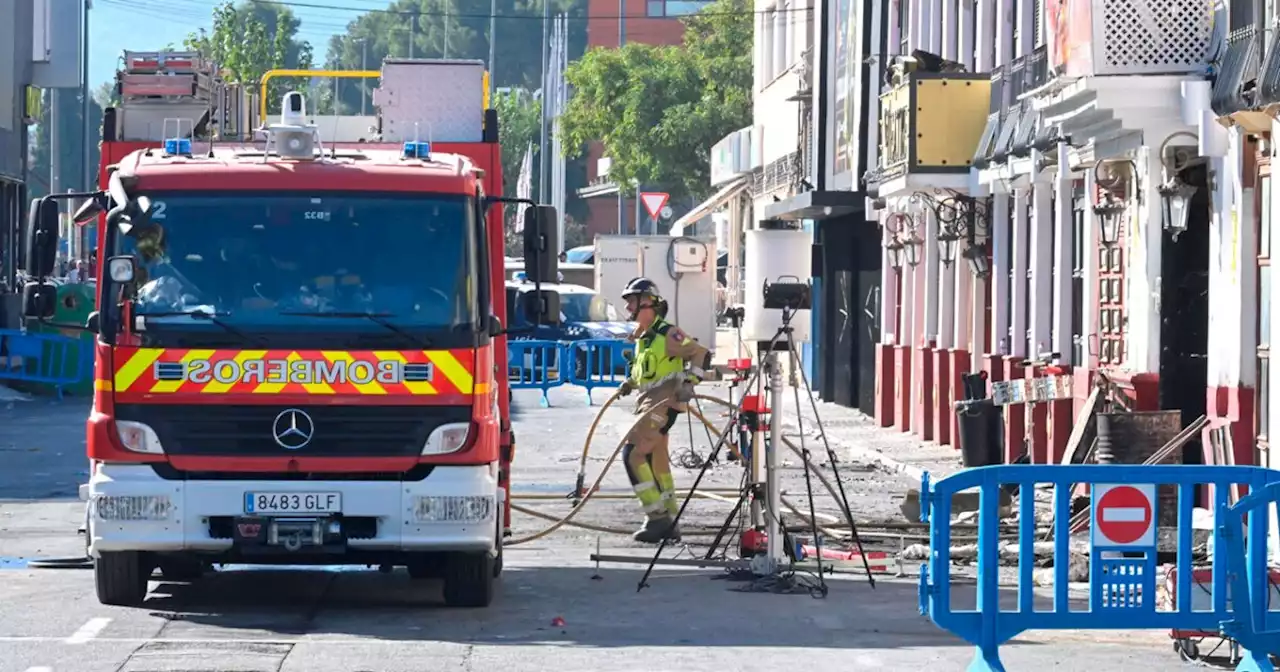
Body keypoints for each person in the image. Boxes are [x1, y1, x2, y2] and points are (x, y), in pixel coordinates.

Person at [616, 277, 713, 543]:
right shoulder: (643, 339)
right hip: (648, 402)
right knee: (656, 460)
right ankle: (670, 521)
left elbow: (701, 354)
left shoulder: (667, 334)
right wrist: (630, 383)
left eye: (632, 302)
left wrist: (690, 382)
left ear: (648, 303)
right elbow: (649, 371)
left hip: (664, 403)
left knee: (633, 454)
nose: (628, 309)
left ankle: (657, 518)